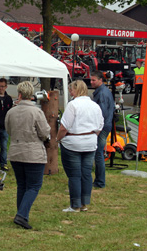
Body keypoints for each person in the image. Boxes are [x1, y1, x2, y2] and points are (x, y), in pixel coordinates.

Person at [5, 81, 51, 229]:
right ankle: (22, 215)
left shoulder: (11, 112)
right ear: (31, 95)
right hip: (33, 153)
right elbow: (44, 133)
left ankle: (21, 213)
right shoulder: (36, 112)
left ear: (19, 94)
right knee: (34, 186)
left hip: (16, 151)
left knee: (22, 185)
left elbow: (9, 130)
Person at [56, 80, 103, 213]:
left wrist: (57, 139)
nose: (70, 92)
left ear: (77, 90)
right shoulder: (95, 106)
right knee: (86, 174)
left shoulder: (73, 105)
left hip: (73, 142)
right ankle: (84, 203)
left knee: (74, 175)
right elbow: (100, 125)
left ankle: (75, 205)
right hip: (90, 142)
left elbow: (64, 127)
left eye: (71, 90)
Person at [90, 71, 115, 189]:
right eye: (91, 80)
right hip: (104, 125)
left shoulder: (102, 94)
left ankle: (100, 181)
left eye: (94, 80)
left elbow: (102, 113)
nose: (91, 82)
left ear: (101, 80)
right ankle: (99, 180)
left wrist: (97, 128)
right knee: (98, 153)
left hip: (102, 127)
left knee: (98, 153)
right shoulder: (102, 92)